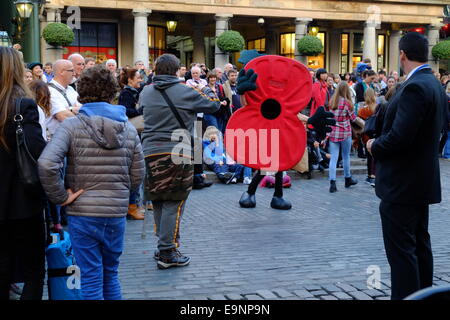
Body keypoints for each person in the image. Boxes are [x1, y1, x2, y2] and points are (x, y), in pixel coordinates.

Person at [38, 65, 144, 300]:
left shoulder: (72, 126)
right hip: (114, 212)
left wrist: (61, 198)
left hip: (83, 211)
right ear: (112, 91)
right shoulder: (127, 128)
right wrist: (123, 195)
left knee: (91, 277)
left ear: (82, 91)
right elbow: (138, 173)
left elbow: (46, 164)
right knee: (111, 274)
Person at [366, 32, 448, 300]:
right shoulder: (434, 84)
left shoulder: (415, 87)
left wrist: (374, 146)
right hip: (419, 182)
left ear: (401, 54)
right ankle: (425, 296)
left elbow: (400, 137)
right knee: (420, 246)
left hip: (402, 184)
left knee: (402, 253)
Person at [140, 54, 220, 269]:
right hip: (179, 149)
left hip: (150, 150)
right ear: (177, 71)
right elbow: (214, 105)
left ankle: (163, 245)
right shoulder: (185, 90)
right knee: (174, 202)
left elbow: (141, 111)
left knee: (158, 199)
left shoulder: (146, 91)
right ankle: (167, 250)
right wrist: (206, 85)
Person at [0, 47, 47, 300]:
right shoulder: (23, 105)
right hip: (22, 201)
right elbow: (37, 152)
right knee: (33, 271)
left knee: (3, 267)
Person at [118, 68, 145, 220]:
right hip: (130, 133)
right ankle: (131, 206)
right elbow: (124, 111)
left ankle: (136, 204)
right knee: (135, 171)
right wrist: (139, 110)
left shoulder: (135, 92)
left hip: (135, 133)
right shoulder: (126, 93)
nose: (140, 80)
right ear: (130, 80)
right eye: (138, 78)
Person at [326, 81, 358, 193]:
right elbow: (353, 118)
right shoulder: (347, 103)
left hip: (333, 132)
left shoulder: (332, 102)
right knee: (346, 156)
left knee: (333, 158)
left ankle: (332, 183)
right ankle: (347, 179)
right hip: (345, 133)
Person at [46, 59, 82, 139]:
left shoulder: (71, 89)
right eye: (72, 70)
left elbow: (83, 109)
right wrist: (74, 110)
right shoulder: (49, 90)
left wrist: (69, 109)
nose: (74, 73)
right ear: (62, 71)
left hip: (73, 138)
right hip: (57, 140)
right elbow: (63, 116)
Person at [358, 88, 377, 187]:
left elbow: (359, 123)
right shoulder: (377, 108)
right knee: (375, 155)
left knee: (369, 156)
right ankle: (374, 175)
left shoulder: (362, 110)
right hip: (376, 133)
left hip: (366, 134)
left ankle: (370, 175)